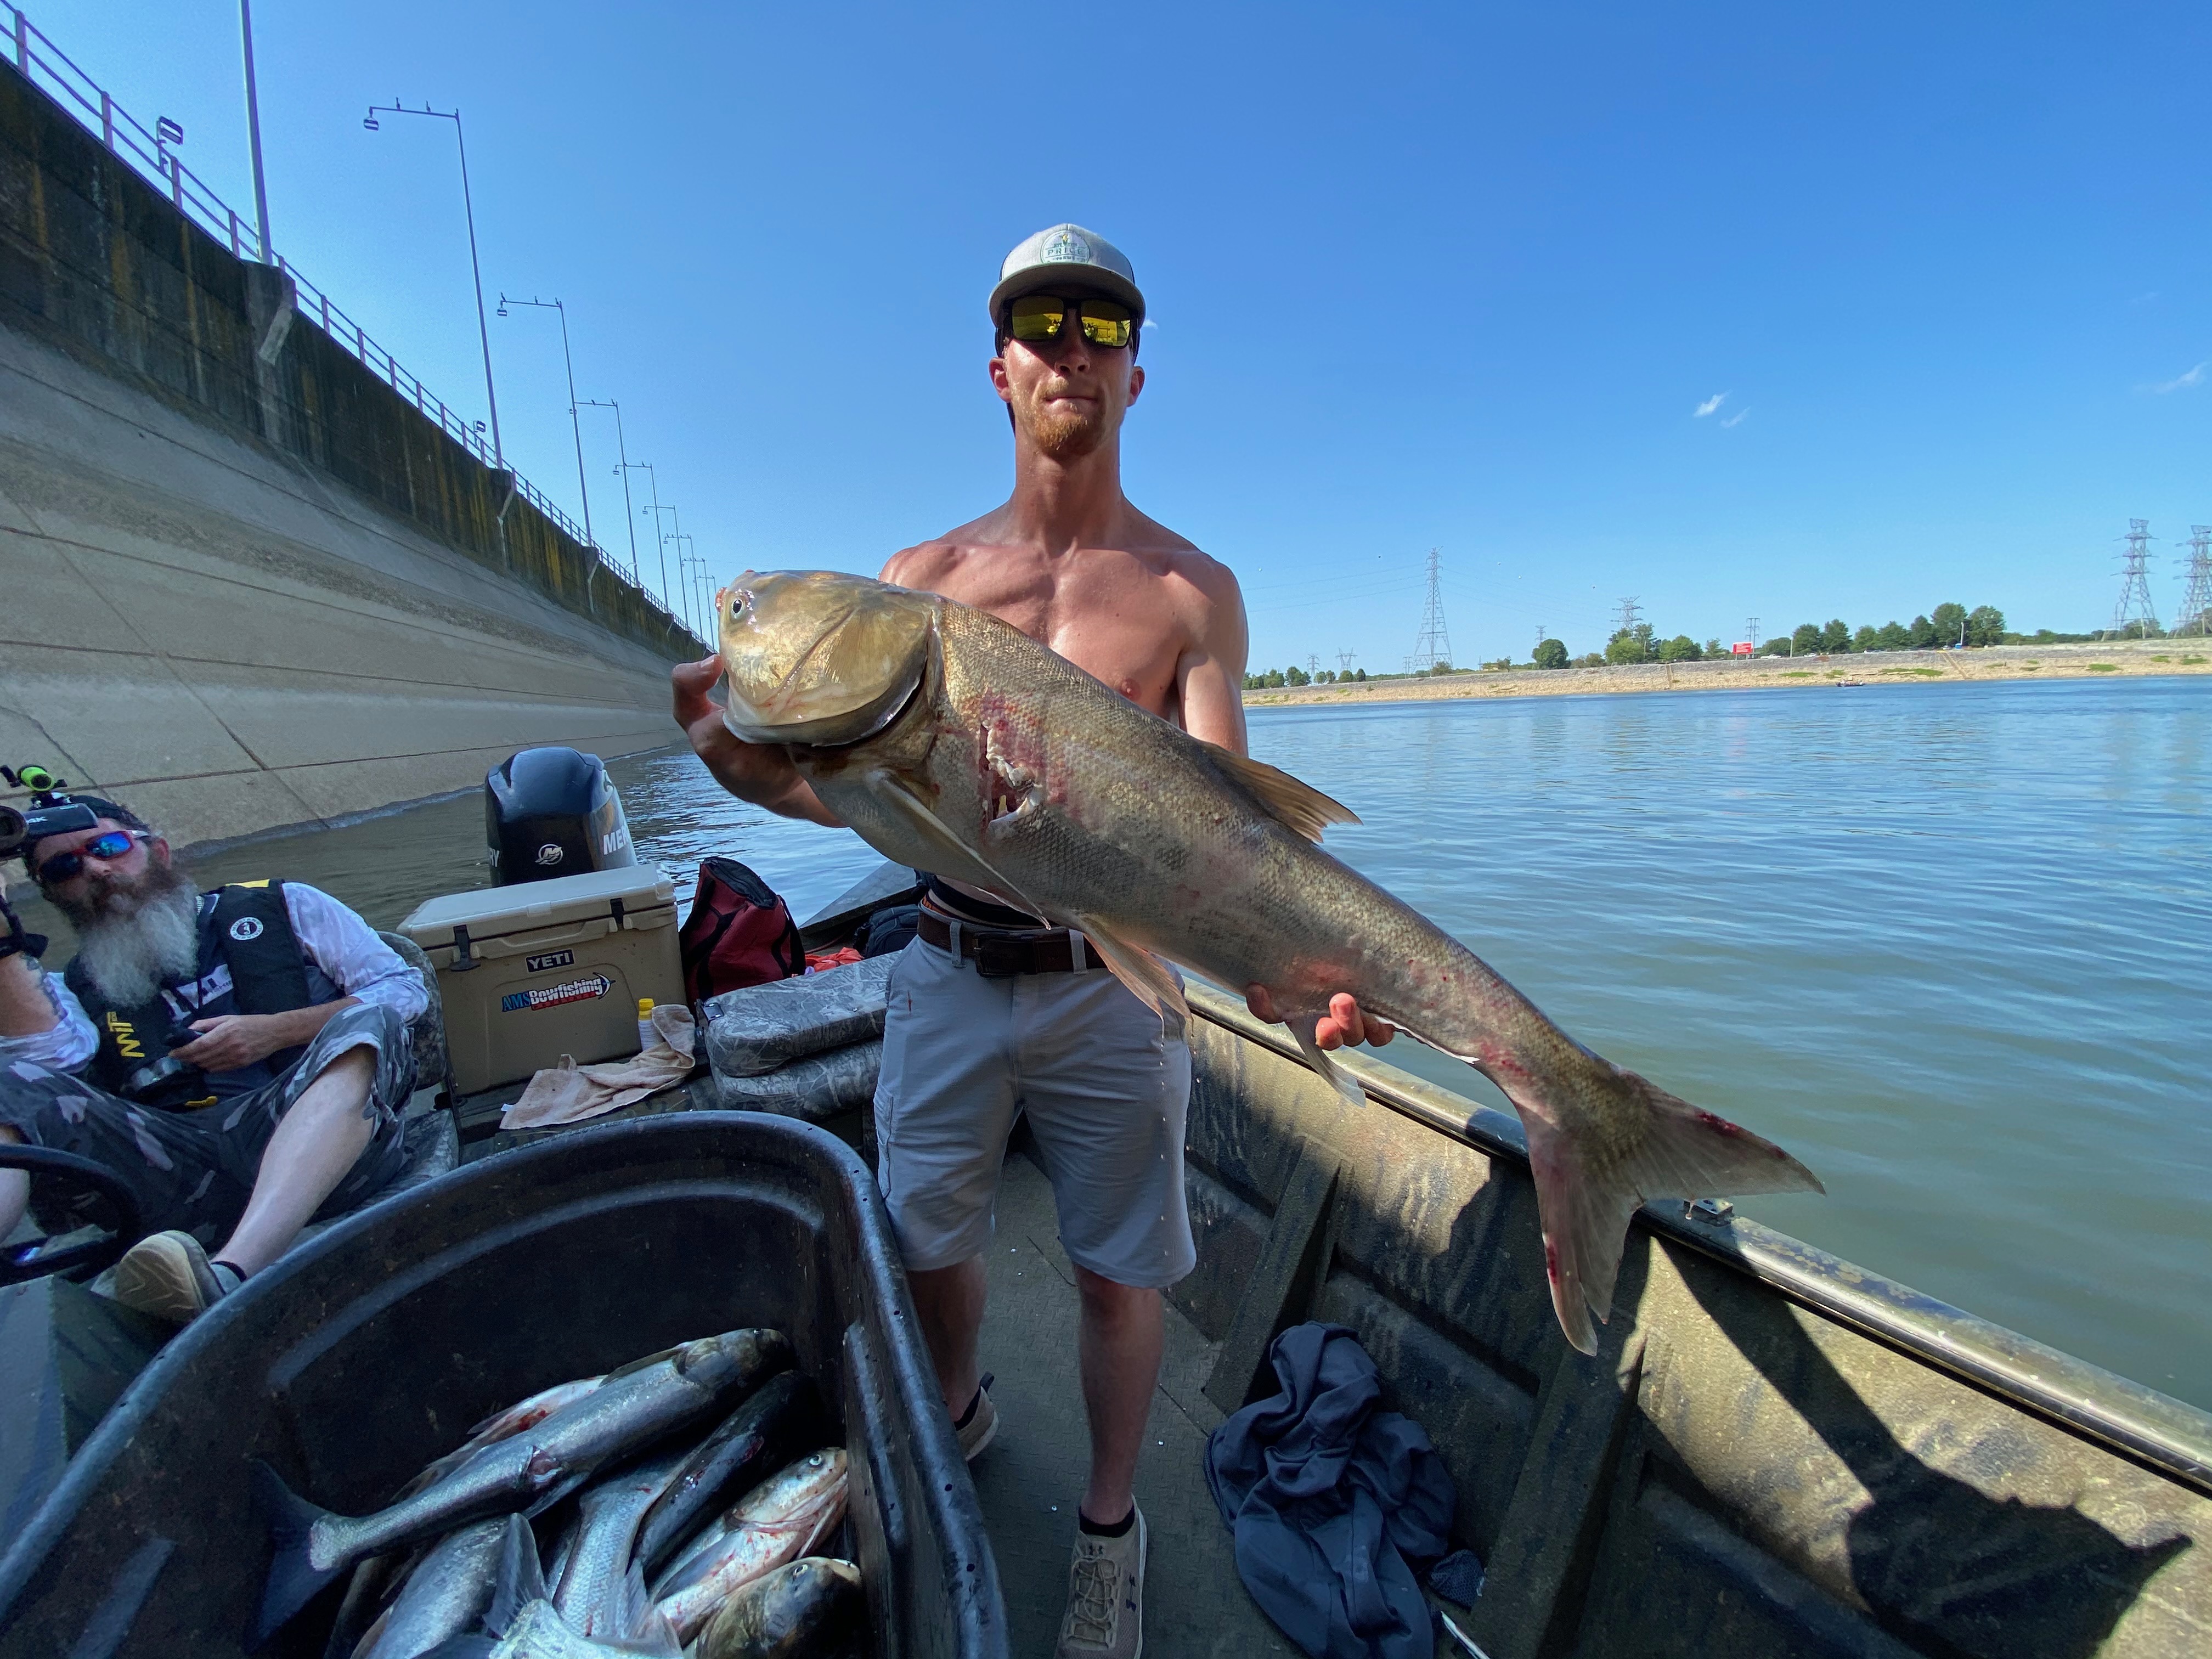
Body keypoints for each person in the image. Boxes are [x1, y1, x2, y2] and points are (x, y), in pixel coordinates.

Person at [673, 224, 1392, 1659]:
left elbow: (1232, 833)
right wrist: (749, 777)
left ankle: (1111, 1532)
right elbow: (861, 803)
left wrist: (1300, 968)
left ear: (1137, 374)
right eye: (1043, 323)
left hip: (1113, 991)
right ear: (997, 368)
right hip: (946, 964)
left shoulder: (1192, 591)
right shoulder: (917, 580)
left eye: (1102, 326)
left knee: (1124, 1277)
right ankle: (956, 1415)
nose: (1073, 347)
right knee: (929, 1242)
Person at [0, 794, 423, 1323]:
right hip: (175, 1173)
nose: (95, 869)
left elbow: (406, 989)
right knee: (7, 1083)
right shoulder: (69, 989)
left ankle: (229, 1275)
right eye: (64, 867)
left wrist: (278, 1031)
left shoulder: (285, 905)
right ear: (53, 896)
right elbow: (45, 1070)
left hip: (333, 1154)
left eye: (107, 846)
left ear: (159, 851)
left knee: (369, 1020)